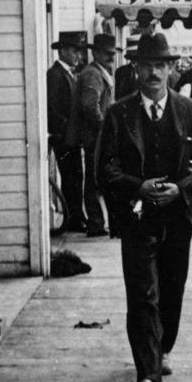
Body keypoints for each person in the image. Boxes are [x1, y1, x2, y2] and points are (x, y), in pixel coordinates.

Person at [96, 33, 192, 382]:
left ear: (171, 69)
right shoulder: (119, 113)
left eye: (160, 65)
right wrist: (138, 186)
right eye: (146, 65)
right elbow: (104, 168)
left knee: (171, 286)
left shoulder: (188, 109)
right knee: (141, 292)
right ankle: (147, 374)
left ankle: (161, 348)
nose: (153, 72)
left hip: (178, 213)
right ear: (135, 69)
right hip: (137, 213)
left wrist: (182, 188)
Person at [68, 33, 118, 237]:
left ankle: (97, 222)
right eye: (107, 54)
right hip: (95, 137)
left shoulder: (100, 71)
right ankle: (95, 223)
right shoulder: (92, 74)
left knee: (98, 179)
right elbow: (90, 106)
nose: (111, 58)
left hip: (98, 136)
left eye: (112, 54)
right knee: (94, 180)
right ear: (95, 53)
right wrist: (105, 129)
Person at [47, 30, 87, 233]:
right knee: (70, 178)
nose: (78, 56)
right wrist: (62, 132)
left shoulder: (69, 74)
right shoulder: (54, 74)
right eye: (74, 51)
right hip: (64, 138)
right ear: (62, 51)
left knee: (76, 178)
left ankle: (77, 216)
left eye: (79, 52)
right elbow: (54, 108)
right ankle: (73, 219)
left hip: (73, 137)